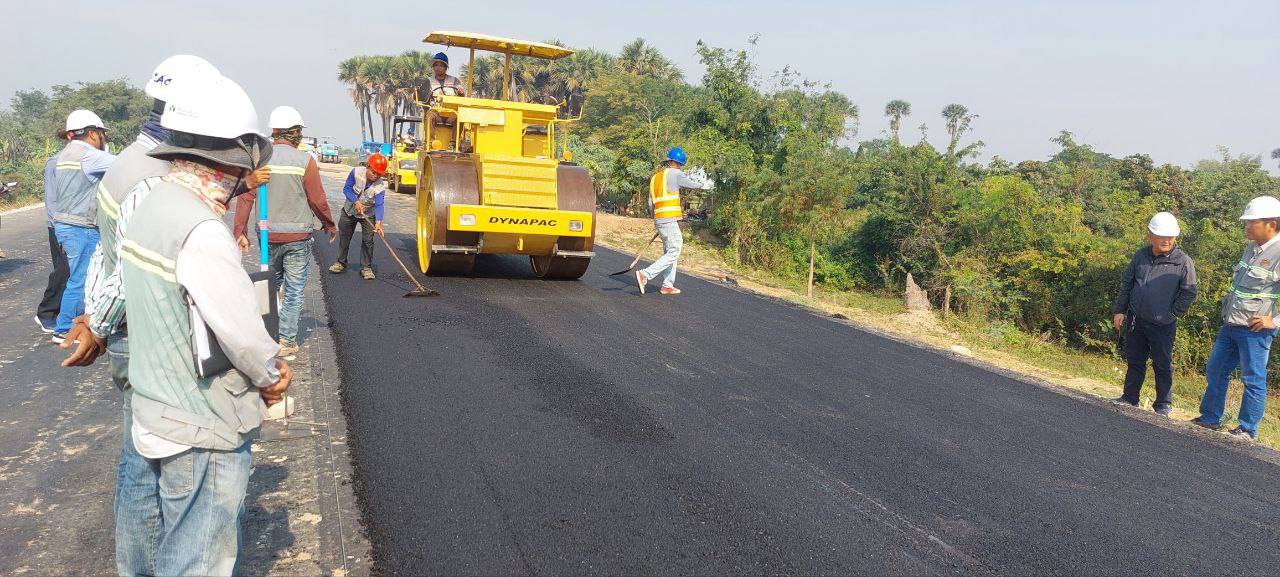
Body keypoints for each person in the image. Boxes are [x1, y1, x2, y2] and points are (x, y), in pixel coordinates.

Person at [55, 55, 228, 577]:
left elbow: (103, 256)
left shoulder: (128, 158)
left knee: (138, 464)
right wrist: (101, 326)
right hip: (149, 335)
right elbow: (129, 263)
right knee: (173, 474)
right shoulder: (156, 177)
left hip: (128, 330)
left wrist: (91, 315)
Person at [117, 72, 289, 576]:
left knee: (154, 542)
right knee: (197, 558)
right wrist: (272, 373)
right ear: (234, 158)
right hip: (200, 422)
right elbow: (240, 331)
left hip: (152, 406)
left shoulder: (152, 205)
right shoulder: (202, 231)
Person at [233, 105, 337, 358]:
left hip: (267, 235)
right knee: (293, 290)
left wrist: (240, 230)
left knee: (270, 284)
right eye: (299, 131)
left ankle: (262, 334)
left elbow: (246, 196)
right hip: (297, 238)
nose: (300, 135)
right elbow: (317, 199)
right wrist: (328, 223)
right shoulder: (304, 161)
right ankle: (286, 341)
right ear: (293, 132)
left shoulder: (260, 159)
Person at [1196, 196, 1280, 441]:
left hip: (1255, 330)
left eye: (1251, 222)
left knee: (1253, 378)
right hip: (1231, 324)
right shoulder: (1252, 246)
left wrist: (1274, 322)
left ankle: (1247, 429)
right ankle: (1210, 418)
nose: (1246, 226)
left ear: (1271, 224)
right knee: (1215, 370)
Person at [1110, 212, 1197, 416]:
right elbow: (1127, 283)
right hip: (1136, 319)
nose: (1167, 240)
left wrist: (1172, 314)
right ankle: (1130, 398)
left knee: (1162, 364)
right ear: (1150, 235)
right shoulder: (1140, 255)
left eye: (1170, 236)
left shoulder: (1183, 262)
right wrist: (1120, 310)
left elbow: (1189, 292)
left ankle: (1163, 405)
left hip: (1163, 324)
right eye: (1161, 236)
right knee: (1135, 360)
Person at [49, 109, 116, 343]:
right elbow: (126, 166)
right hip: (81, 226)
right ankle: (66, 326)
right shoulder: (89, 156)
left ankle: (76, 322)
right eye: (101, 134)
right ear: (92, 133)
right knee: (82, 278)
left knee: (77, 276)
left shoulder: (66, 154)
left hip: (65, 224)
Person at [635, 147, 704, 295]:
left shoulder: (656, 178)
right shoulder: (675, 173)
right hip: (668, 219)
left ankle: (667, 285)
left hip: (660, 219)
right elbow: (691, 184)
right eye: (680, 164)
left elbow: (650, 202)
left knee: (669, 250)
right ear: (677, 162)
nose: (680, 167)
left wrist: (657, 220)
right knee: (675, 250)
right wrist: (700, 185)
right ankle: (645, 274)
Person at [329, 153, 387, 280]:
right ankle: (340, 262)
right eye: (373, 172)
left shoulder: (380, 186)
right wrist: (356, 201)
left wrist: (378, 222)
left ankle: (366, 268)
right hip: (349, 210)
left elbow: (379, 204)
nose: (375, 176)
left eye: (378, 174)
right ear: (368, 166)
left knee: (368, 241)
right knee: (345, 237)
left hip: (368, 214)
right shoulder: (355, 172)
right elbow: (347, 189)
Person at [35, 136, 70, 333]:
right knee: (63, 270)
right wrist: (60, 228)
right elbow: (52, 200)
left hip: (73, 225)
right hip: (60, 225)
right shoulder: (55, 162)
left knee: (69, 270)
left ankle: (61, 312)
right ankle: (46, 313)